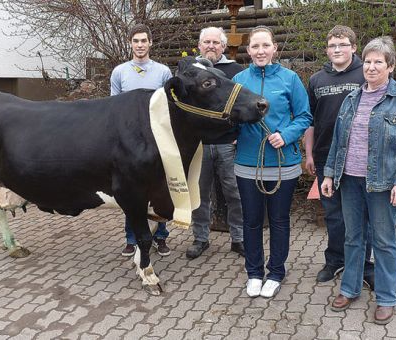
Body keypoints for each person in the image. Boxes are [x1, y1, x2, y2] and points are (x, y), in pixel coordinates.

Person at [322, 36, 396, 325]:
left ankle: (387, 298)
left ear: (391, 66)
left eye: (379, 62)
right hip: (349, 180)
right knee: (353, 237)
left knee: (384, 240)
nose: (372, 67)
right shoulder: (353, 98)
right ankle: (350, 287)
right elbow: (338, 141)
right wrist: (328, 174)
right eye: (369, 61)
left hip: (384, 183)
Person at [232, 26, 312, 298]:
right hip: (247, 163)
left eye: (265, 45)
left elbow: (304, 116)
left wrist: (286, 135)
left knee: (279, 220)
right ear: (248, 50)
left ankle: (276, 272)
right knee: (252, 221)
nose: (260, 51)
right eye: (255, 46)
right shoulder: (239, 80)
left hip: (283, 164)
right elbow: (230, 117)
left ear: (274, 48)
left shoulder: (290, 79)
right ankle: (254, 273)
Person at [305, 25, 374, 287]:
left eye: (343, 44)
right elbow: (310, 121)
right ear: (327, 49)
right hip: (326, 158)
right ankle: (335, 259)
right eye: (332, 45)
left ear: (354, 47)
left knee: (361, 214)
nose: (337, 49)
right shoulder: (316, 80)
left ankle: (365, 264)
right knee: (333, 214)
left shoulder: (366, 73)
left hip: (360, 158)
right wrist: (309, 154)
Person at [110, 23, 172, 257]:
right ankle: (131, 238)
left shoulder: (163, 72)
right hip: (129, 141)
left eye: (143, 41)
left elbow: (168, 106)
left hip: (157, 138)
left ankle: (161, 236)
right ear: (130, 43)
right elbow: (113, 108)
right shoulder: (119, 72)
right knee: (131, 190)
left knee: (160, 189)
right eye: (135, 41)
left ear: (150, 43)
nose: (140, 45)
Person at [186, 26, 245, 259]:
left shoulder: (235, 71)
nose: (211, 46)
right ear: (199, 46)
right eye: (206, 42)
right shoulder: (189, 71)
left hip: (227, 143)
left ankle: (238, 238)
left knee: (235, 193)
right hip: (199, 145)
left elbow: (242, 105)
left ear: (223, 46)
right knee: (199, 195)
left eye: (216, 42)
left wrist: (240, 134)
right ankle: (200, 238)